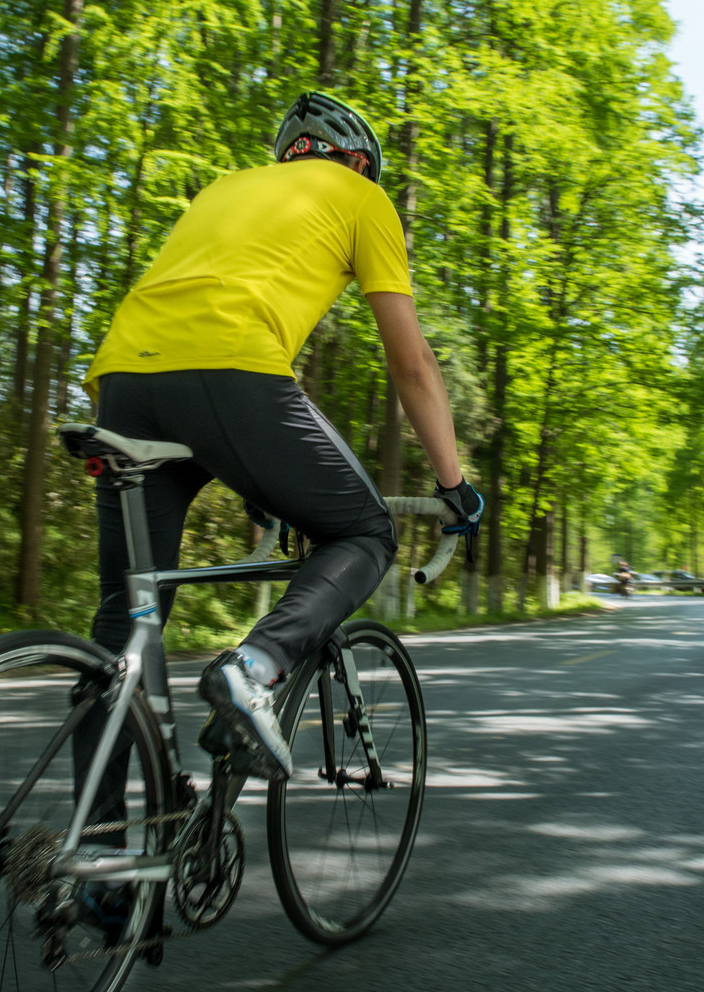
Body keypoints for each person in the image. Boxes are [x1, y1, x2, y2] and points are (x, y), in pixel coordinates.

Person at [82, 91, 482, 781]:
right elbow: (412, 363)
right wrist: (454, 485)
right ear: (357, 161)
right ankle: (254, 667)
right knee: (366, 534)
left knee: (125, 619)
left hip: (119, 382)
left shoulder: (225, 188)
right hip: (231, 368)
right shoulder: (363, 198)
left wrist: (252, 477)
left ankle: (100, 864)